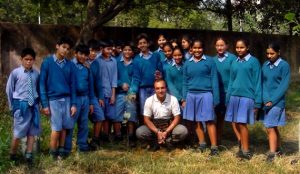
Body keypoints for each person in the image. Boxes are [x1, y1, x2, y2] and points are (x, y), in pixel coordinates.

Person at [39, 36, 77, 160]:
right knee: (56, 128)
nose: (65, 50)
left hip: (67, 100)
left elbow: (73, 85)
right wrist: (44, 104)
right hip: (53, 100)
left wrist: (73, 104)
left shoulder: (70, 65)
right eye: (63, 47)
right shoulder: (47, 62)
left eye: (68, 48)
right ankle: (52, 152)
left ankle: (61, 151)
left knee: (65, 127)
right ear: (57, 46)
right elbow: (42, 84)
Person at [225, 38, 262, 160]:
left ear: (247, 47)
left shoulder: (254, 62)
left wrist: (257, 102)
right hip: (234, 96)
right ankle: (241, 142)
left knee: (242, 123)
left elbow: (257, 82)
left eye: (242, 47)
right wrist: (228, 97)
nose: (239, 50)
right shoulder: (234, 62)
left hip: (247, 97)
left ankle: (246, 151)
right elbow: (231, 81)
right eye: (237, 47)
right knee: (234, 121)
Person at [182, 39, 220, 156]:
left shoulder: (210, 61)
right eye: (195, 48)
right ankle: (202, 144)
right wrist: (184, 98)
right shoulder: (187, 63)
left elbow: (214, 80)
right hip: (191, 95)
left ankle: (214, 147)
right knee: (196, 121)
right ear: (191, 49)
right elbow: (184, 82)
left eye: (200, 48)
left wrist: (216, 98)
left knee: (209, 121)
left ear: (203, 49)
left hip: (206, 94)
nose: (197, 50)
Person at [6, 48, 40, 165]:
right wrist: (12, 107)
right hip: (20, 105)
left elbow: (38, 90)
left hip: (33, 106)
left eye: (31, 60)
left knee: (32, 132)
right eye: (26, 59)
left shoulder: (36, 74)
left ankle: (29, 155)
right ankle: (13, 155)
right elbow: (9, 90)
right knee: (18, 133)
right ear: (21, 59)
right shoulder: (15, 73)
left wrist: (39, 104)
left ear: (34, 60)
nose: (28, 62)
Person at [136, 79, 188, 151]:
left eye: (162, 88)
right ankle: (155, 142)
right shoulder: (149, 100)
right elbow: (146, 119)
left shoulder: (173, 99)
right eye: (157, 88)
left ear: (166, 88)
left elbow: (177, 117)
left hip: (169, 127)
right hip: (155, 127)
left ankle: (169, 141)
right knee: (140, 132)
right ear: (154, 90)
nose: (160, 91)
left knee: (183, 130)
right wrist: (157, 132)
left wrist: (166, 131)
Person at [261, 43, 290, 162]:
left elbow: (283, 86)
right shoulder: (265, 65)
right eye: (267, 53)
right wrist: (265, 99)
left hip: (277, 102)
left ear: (279, 52)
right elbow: (262, 83)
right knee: (273, 126)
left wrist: (272, 100)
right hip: (266, 101)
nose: (269, 56)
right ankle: (278, 149)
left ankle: (272, 154)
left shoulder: (284, 66)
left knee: (269, 126)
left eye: (272, 53)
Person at [64, 44, 94, 154]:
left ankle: (82, 146)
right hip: (73, 98)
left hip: (85, 99)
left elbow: (90, 86)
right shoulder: (69, 66)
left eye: (86, 55)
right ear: (76, 53)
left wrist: (91, 102)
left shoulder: (87, 68)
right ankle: (67, 148)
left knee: (84, 124)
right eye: (81, 54)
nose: (83, 57)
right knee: (70, 123)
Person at [128, 33, 163, 124]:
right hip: (143, 89)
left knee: (157, 110)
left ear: (148, 44)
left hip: (155, 88)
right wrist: (133, 91)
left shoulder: (156, 56)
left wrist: (160, 75)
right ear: (138, 45)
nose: (142, 44)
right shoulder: (136, 59)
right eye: (140, 43)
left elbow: (161, 70)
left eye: (144, 42)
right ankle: (145, 133)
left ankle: (157, 132)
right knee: (145, 111)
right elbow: (136, 78)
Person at [213, 37, 239, 145]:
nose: (220, 47)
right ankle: (218, 140)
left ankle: (240, 140)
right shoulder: (212, 60)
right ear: (215, 46)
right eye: (218, 45)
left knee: (234, 118)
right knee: (219, 118)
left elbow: (236, 76)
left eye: (222, 45)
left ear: (226, 46)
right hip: (218, 94)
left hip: (230, 92)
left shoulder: (233, 59)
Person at [96, 40, 118, 142]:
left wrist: (113, 95)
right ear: (102, 49)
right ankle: (98, 136)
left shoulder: (114, 61)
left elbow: (114, 79)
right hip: (99, 93)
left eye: (111, 49)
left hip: (109, 92)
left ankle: (105, 135)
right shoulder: (97, 60)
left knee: (108, 116)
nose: (110, 51)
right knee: (100, 116)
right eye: (107, 49)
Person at [116, 42, 138, 146]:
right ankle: (118, 135)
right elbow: (112, 78)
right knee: (118, 114)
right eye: (125, 50)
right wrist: (120, 84)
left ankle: (130, 136)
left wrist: (132, 91)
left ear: (132, 52)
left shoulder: (135, 63)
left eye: (129, 50)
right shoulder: (116, 62)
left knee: (130, 115)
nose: (127, 52)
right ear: (122, 50)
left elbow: (136, 78)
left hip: (130, 93)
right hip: (119, 93)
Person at [89, 40, 105, 150]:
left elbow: (98, 81)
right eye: (91, 51)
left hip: (93, 95)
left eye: (96, 51)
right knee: (82, 120)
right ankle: (82, 141)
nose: (93, 53)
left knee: (100, 117)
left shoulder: (96, 63)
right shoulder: (76, 63)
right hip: (81, 96)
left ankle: (95, 139)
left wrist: (100, 97)